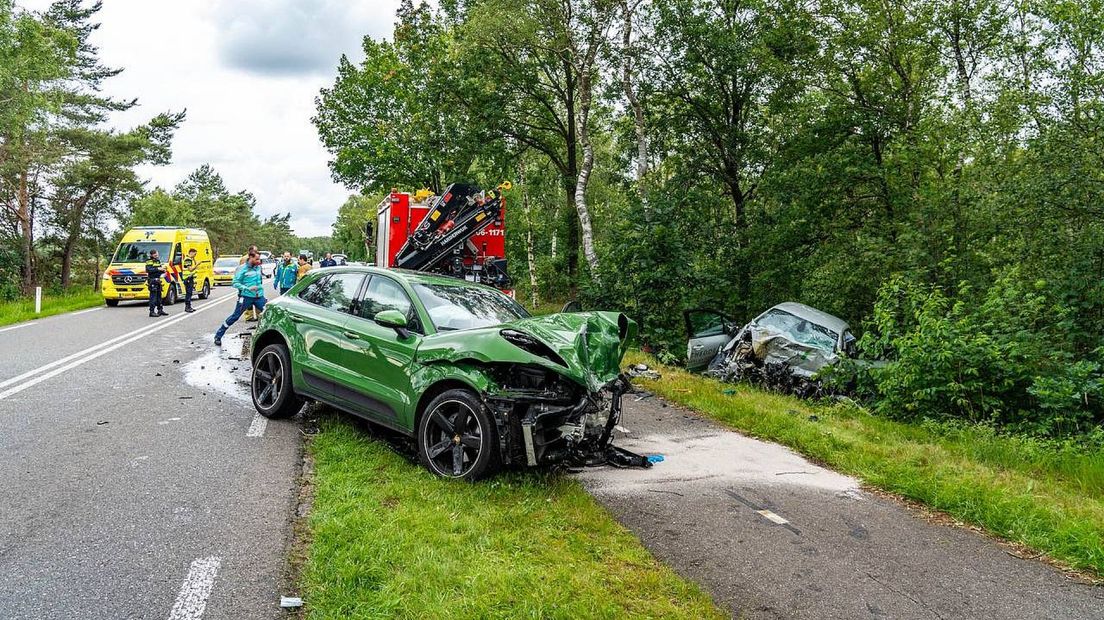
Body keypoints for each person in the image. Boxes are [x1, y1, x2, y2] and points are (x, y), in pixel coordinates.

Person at [214, 252, 265, 347]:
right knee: (235, 316)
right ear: (250, 257)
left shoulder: (258, 267)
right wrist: (247, 288)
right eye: (257, 259)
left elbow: (259, 280)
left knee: (268, 313)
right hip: (246, 297)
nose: (259, 261)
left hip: (259, 297)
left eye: (259, 259)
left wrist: (261, 290)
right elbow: (235, 283)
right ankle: (218, 335)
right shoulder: (242, 269)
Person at [145, 249, 169, 318]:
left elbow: (158, 270)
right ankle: (152, 312)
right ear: (152, 255)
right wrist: (158, 269)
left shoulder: (158, 261)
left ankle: (160, 310)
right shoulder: (149, 261)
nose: (157, 255)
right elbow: (149, 270)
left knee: (159, 296)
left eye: (157, 254)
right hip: (152, 280)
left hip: (158, 280)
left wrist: (163, 270)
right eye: (155, 254)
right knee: (153, 297)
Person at [240, 245, 260, 322]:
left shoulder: (256, 257)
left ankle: (258, 315)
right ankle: (249, 316)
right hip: (248, 282)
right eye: (255, 250)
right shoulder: (244, 259)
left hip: (255, 282)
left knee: (258, 298)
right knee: (248, 300)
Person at [181, 247, 198, 313]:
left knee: (190, 293)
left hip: (190, 278)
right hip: (187, 278)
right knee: (188, 293)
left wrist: (194, 259)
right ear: (191, 253)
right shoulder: (187, 260)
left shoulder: (190, 259)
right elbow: (190, 269)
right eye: (194, 254)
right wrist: (197, 264)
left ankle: (189, 306)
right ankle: (187, 307)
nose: (195, 256)